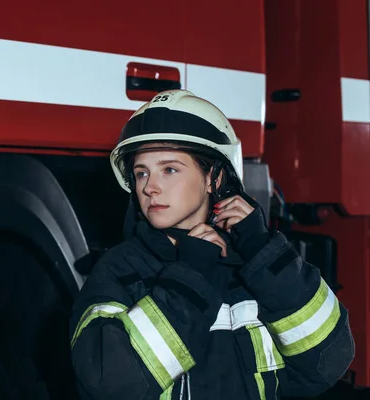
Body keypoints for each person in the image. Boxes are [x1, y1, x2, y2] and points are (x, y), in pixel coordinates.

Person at [68, 90, 354, 400]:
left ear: (213, 178)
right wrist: (190, 274)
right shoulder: (119, 269)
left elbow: (327, 361)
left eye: (169, 169)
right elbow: (108, 381)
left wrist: (263, 252)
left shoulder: (254, 265)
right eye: (141, 173)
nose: (150, 187)